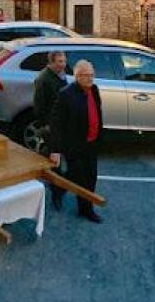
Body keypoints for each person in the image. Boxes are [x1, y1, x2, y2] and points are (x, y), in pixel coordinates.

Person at [51, 60, 103, 223]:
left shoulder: (94, 90)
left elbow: (96, 113)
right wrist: (55, 149)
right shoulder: (66, 94)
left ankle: (58, 188)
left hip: (92, 143)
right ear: (77, 76)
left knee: (90, 176)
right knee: (82, 179)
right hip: (74, 145)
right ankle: (86, 210)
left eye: (92, 75)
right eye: (86, 75)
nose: (90, 78)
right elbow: (56, 123)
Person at [34, 51, 68, 210]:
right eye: (60, 61)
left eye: (64, 61)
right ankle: (57, 194)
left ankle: (57, 190)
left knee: (55, 161)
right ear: (52, 62)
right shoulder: (44, 79)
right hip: (52, 128)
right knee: (55, 164)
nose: (63, 64)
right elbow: (39, 107)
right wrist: (46, 127)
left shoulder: (59, 75)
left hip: (61, 127)